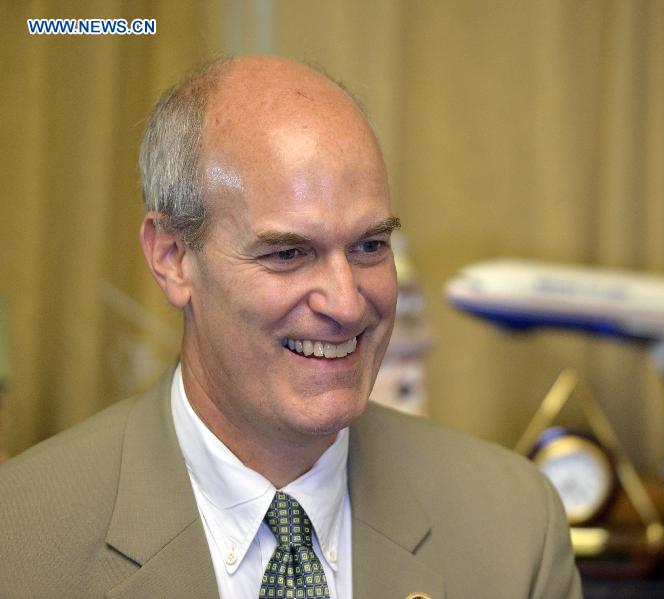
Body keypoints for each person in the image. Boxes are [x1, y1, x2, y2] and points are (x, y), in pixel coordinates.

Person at [0, 55, 581, 598]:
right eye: (287, 254)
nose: (347, 304)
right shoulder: (20, 542)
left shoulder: (515, 528)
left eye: (370, 245)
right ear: (173, 258)